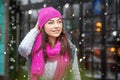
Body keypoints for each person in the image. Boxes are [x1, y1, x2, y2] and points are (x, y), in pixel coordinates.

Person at [18, 7, 81, 80]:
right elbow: (23, 50)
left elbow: (75, 75)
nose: (57, 26)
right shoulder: (35, 47)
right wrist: (36, 29)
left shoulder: (69, 46)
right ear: (43, 26)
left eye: (59, 22)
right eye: (51, 23)